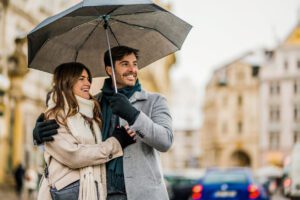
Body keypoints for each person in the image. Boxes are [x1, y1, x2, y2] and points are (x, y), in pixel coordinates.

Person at [33, 46, 174, 200]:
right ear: (109, 70)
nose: (132, 69)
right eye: (125, 64)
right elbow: (69, 134)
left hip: (143, 193)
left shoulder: (155, 101)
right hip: (102, 192)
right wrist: (39, 136)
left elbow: (165, 141)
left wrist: (133, 115)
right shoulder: (93, 103)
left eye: (134, 64)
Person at [36, 62, 135, 200]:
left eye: (88, 79)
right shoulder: (55, 115)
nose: (88, 83)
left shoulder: (91, 114)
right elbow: (74, 156)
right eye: (81, 78)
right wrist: (115, 143)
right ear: (67, 82)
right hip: (68, 192)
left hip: (92, 189)